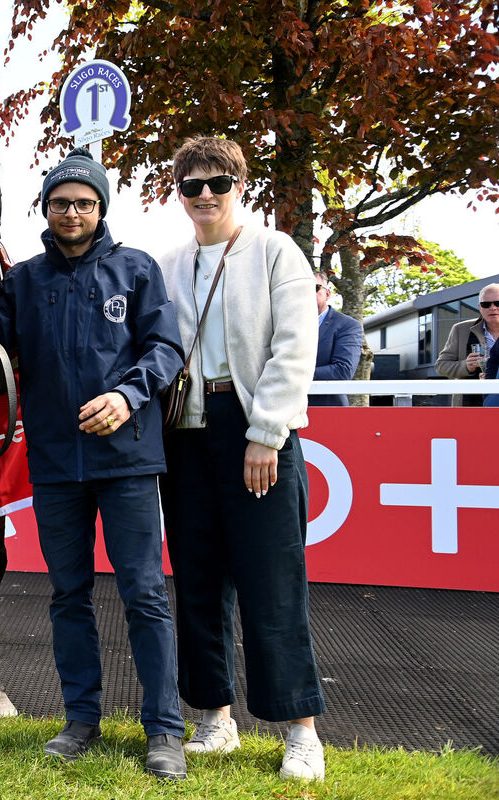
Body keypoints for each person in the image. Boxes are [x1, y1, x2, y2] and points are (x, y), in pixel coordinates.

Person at [0, 147, 188, 780]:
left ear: (101, 209)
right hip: (53, 464)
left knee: (145, 595)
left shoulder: (136, 269)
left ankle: (165, 731)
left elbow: (167, 348)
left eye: (84, 202)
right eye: (59, 202)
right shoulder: (21, 282)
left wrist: (128, 396)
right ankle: (81, 721)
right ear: (44, 208)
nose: (71, 212)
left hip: (126, 463)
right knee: (68, 595)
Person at [157, 137, 326, 781]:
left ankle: (299, 729)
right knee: (198, 580)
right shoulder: (168, 263)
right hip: (186, 432)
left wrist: (266, 433)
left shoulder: (276, 250)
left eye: (219, 182)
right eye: (193, 183)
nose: (205, 193)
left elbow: (294, 347)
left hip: (255, 426)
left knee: (271, 581)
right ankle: (213, 717)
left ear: (241, 188)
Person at [436, 283, 499, 407]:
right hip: (469, 404)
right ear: (480, 307)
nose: (493, 308)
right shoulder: (461, 329)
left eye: (498, 303)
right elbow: (441, 365)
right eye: (487, 304)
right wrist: (466, 366)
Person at [309, 272, 363, 407]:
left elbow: (343, 370)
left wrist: (294, 374)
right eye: (300, 289)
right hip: (283, 412)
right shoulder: (281, 323)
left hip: (326, 411)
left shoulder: (347, 325)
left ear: (327, 294)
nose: (306, 293)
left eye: (314, 288)